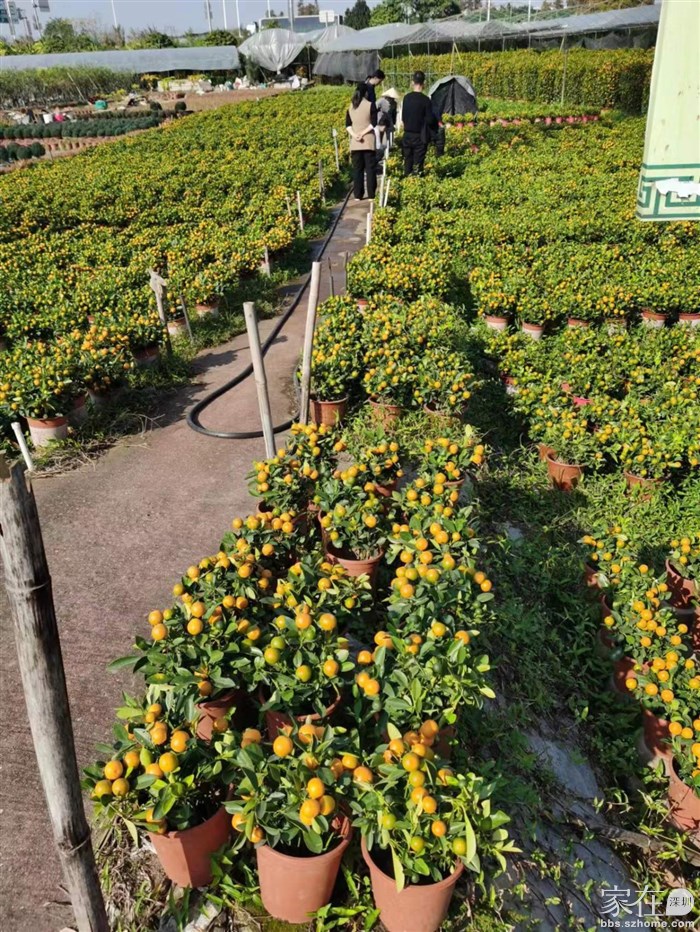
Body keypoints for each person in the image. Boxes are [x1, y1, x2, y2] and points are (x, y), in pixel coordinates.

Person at [401, 71, 438, 177]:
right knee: (418, 163)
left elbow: (403, 117)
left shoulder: (406, 98)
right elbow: (430, 120)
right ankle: (417, 181)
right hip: (420, 135)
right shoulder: (426, 100)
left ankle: (406, 180)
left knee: (407, 160)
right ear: (424, 83)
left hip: (407, 134)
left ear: (412, 82)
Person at [345, 83, 377, 202]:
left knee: (357, 170)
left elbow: (348, 125)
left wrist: (355, 135)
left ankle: (358, 195)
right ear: (366, 93)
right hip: (368, 142)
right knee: (370, 169)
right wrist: (363, 133)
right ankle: (371, 195)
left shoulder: (351, 106)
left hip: (355, 143)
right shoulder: (370, 105)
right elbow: (373, 123)